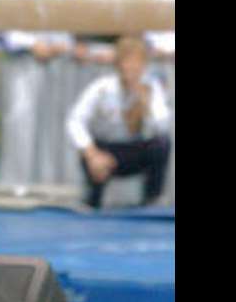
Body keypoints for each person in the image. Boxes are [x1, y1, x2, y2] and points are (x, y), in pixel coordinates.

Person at [66, 36, 171, 209]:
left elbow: (162, 126)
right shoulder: (102, 88)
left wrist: (147, 107)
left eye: (136, 63)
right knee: (90, 154)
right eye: (126, 62)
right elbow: (75, 120)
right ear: (117, 64)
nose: (131, 68)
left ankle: (152, 199)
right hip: (106, 150)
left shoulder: (151, 88)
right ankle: (92, 199)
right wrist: (92, 154)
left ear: (144, 65)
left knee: (162, 144)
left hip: (135, 150)